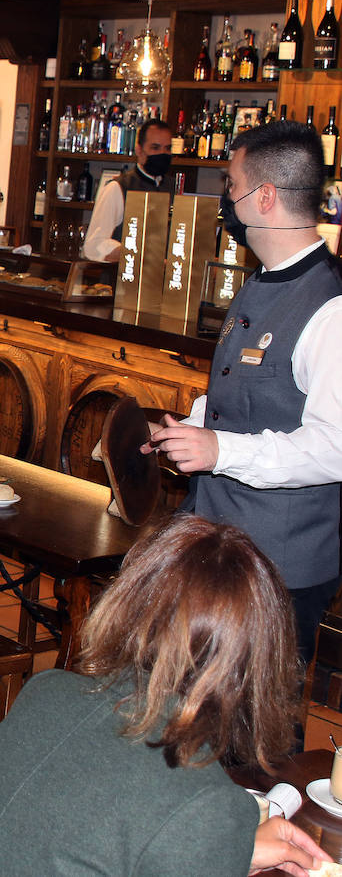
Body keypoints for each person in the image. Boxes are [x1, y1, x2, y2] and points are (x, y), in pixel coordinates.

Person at [0, 514, 331, 877]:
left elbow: (80, 835)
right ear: (261, 661)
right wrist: (216, 843)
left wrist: (225, 851)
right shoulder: (207, 809)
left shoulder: (45, 691)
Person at [146, 120, 342, 668]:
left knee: (255, 739)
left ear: (265, 197)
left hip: (278, 564)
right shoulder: (261, 280)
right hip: (220, 541)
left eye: (231, 185)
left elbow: (335, 447)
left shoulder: (331, 309)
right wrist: (190, 429)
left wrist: (220, 451)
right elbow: (249, 395)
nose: (226, 199)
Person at [82, 119, 174, 262]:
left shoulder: (173, 188)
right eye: (155, 148)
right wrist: (135, 254)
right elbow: (94, 245)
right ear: (139, 150)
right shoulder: (118, 188)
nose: (162, 154)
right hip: (122, 280)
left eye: (167, 148)